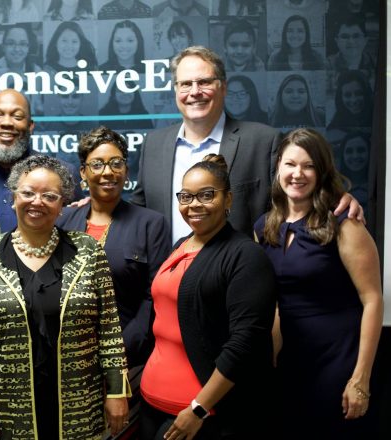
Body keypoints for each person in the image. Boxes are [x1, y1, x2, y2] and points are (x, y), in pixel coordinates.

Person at [0, 154, 131, 439]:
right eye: (27, 193)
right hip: (8, 409)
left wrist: (116, 391)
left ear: (62, 204)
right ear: (14, 197)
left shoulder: (88, 250)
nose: (37, 202)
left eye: (49, 196)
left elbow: (109, 328)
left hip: (79, 404)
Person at [131, 46, 360, 243]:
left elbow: (297, 197)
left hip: (237, 283)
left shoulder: (263, 141)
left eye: (204, 82)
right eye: (185, 84)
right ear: (175, 90)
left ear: (223, 87)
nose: (194, 92)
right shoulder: (154, 144)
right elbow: (137, 214)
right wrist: (96, 208)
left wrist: (338, 202)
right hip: (166, 281)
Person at [254, 128, 382, 439]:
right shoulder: (264, 227)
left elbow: (373, 300)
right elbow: (273, 303)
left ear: (321, 171)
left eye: (309, 165)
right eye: (290, 164)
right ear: (278, 168)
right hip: (291, 363)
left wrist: (360, 379)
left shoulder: (344, 224)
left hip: (338, 362)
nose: (298, 174)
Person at [140, 154, 277, 440]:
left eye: (206, 195)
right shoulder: (180, 245)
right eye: (186, 196)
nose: (194, 205)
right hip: (151, 406)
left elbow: (245, 343)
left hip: (201, 417)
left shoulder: (245, 256)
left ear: (228, 199)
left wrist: (199, 409)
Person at [57, 127, 170, 367]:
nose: (107, 172)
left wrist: (120, 351)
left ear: (126, 171)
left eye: (116, 163)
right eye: (97, 164)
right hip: (67, 356)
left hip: (129, 357)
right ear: (83, 173)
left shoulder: (151, 223)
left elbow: (154, 296)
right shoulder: (63, 221)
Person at [0, 89, 83, 232]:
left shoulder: (63, 175)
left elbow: (76, 228)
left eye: (17, 116)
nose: (6, 123)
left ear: (31, 126)